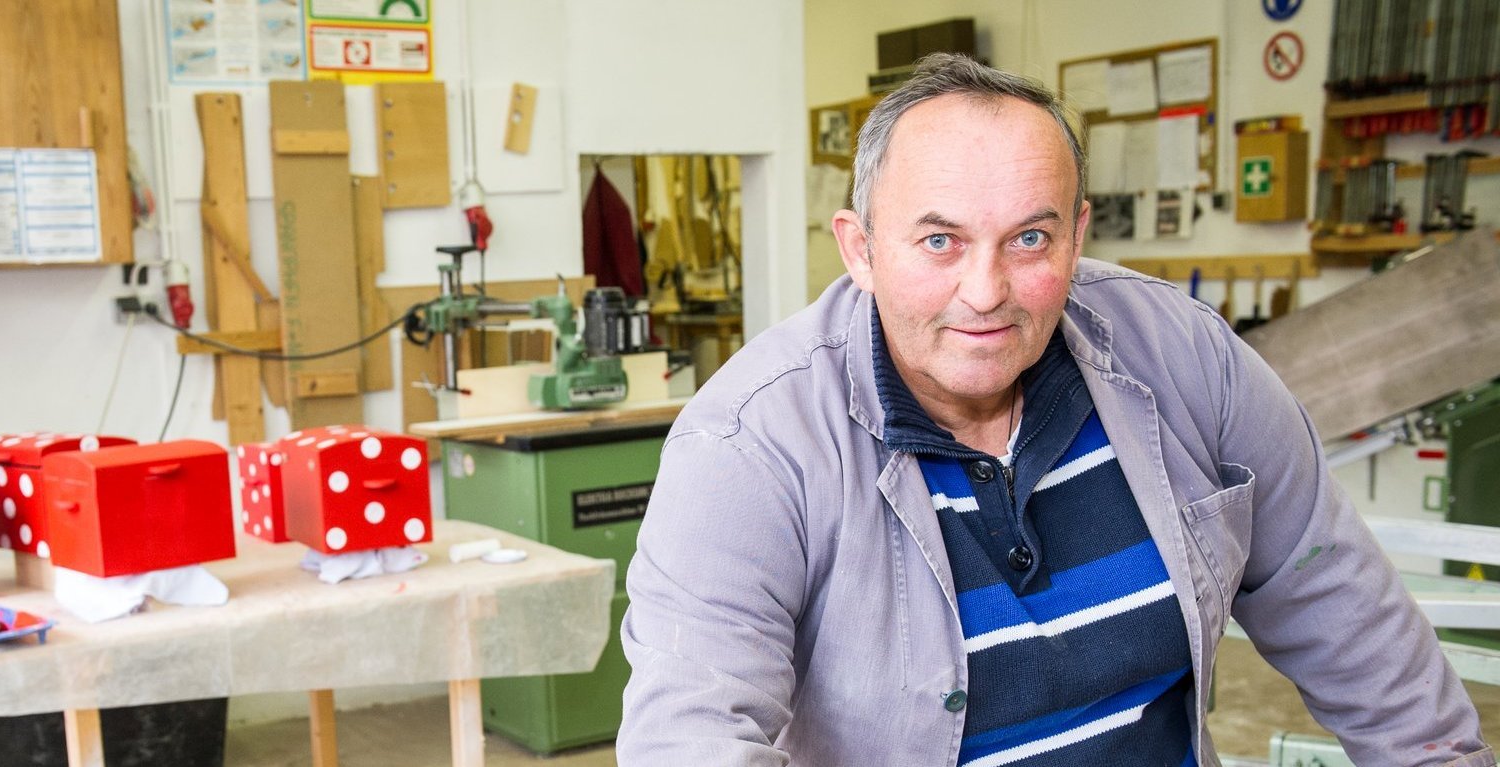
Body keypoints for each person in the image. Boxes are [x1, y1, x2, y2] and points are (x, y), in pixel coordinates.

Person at [618, 54, 1492, 766]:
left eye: (1030, 239)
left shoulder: (1184, 355)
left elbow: (1338, 599)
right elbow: (691, 737)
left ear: (1077, 234)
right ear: (861, 247)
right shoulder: (746, 446)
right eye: (939, 240)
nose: (986, 291)